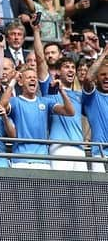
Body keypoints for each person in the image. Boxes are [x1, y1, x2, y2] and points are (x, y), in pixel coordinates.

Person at [33, 22, 87, 171]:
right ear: (57, 72)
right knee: (61, 191)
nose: (70, 70)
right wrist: (36, 31)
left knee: (83, 193)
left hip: (80, 148)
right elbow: (40, 59)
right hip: (59, 147)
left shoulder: (79, 94)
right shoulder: (50, 89)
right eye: (66, 67)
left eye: (72, 67)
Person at [0, 64, 75, 170]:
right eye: (29, 77)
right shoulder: (15, 101)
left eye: (34, 78)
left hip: (42, 160)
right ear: (21, 82)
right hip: (21, 159)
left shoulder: (45, 101)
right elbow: (2, 106)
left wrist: (62, 91)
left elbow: (70, 112)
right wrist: (13, 81)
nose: (33, 80)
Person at [82, 45, 108, 172]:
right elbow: (87, 78)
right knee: (101, 191)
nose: (106, 77)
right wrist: (103, 54)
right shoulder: (92, 96)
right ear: (97, 78)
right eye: (102, 75)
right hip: (100, 154)